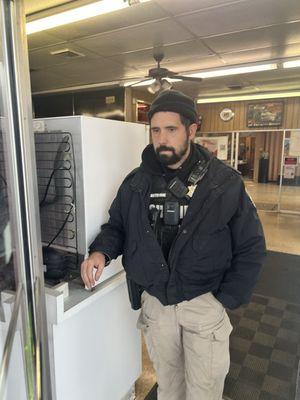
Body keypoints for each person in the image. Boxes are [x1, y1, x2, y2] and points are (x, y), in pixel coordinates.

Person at [81, 90, 266, 400]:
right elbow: (118, 226)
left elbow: (251, 246)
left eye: (171, 129)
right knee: (169, 387)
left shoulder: (224, 183)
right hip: (157, 303)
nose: (162, 138)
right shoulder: (136, 182)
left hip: (203, 301)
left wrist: (226, 298)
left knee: (204, 391)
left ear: (191, 130)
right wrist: (101, 251)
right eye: (155, 130)